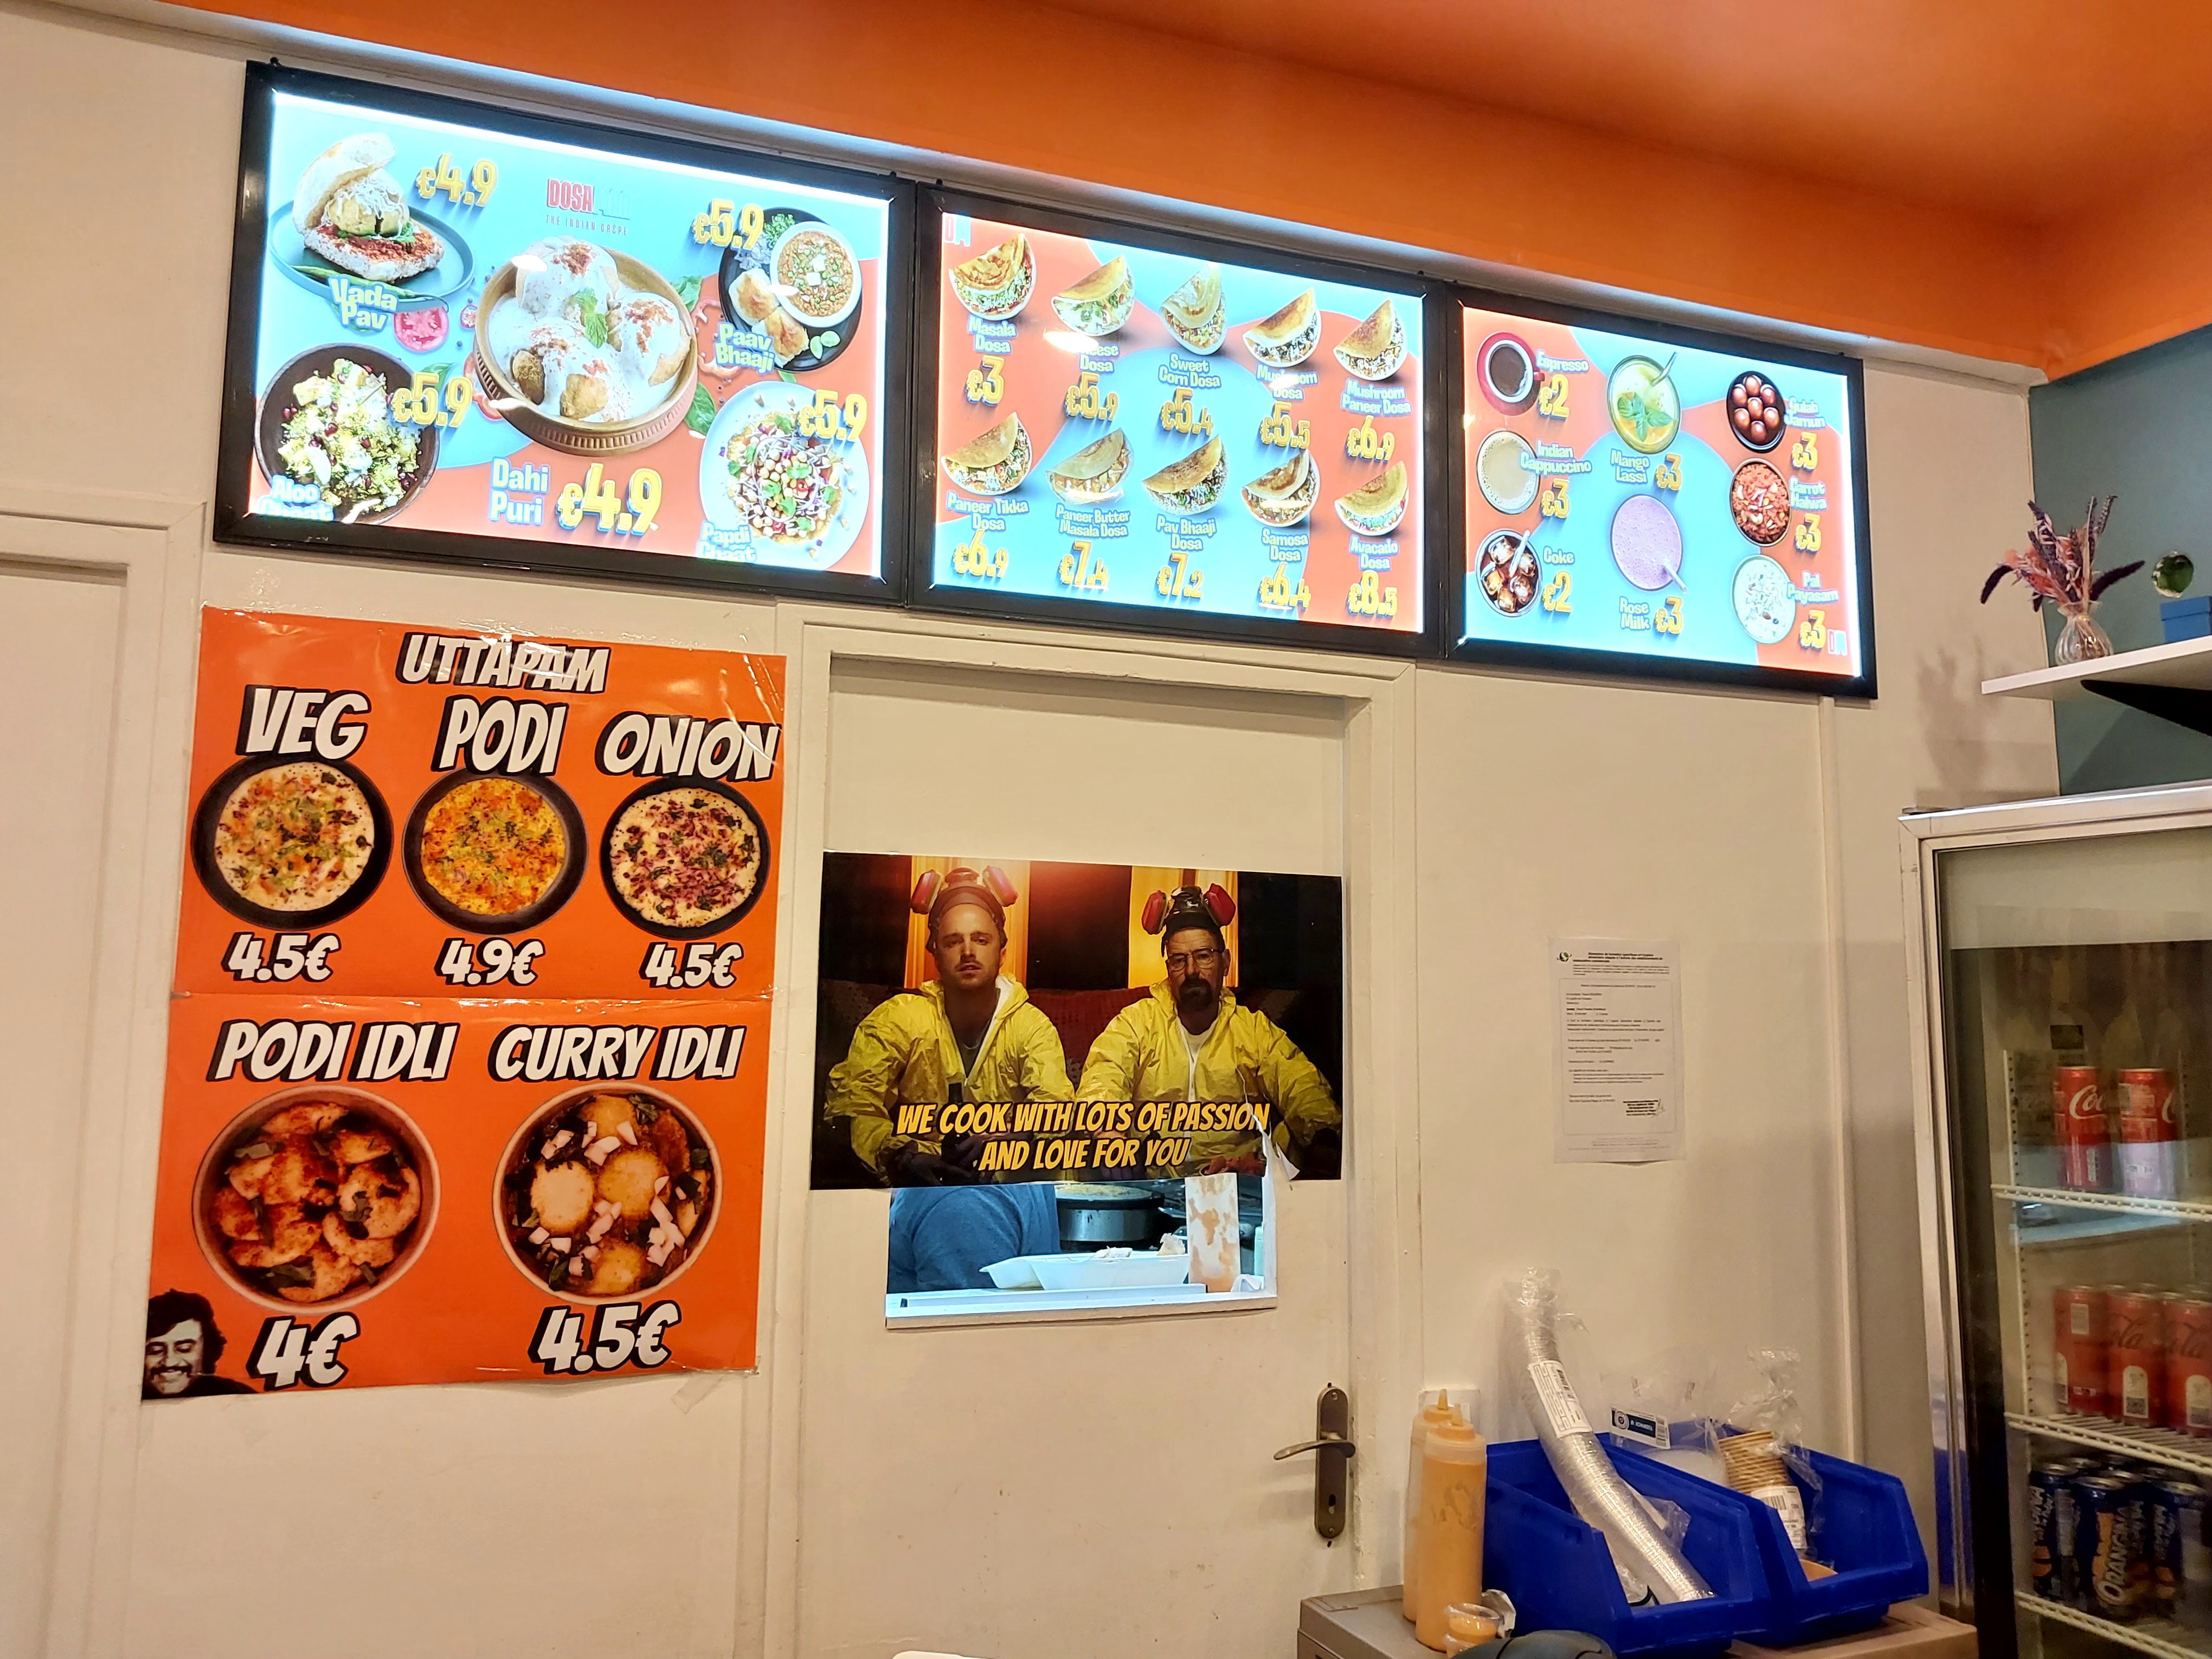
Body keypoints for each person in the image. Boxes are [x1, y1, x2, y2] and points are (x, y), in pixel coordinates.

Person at [826, 865, 1073, 1290]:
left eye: (981, 939)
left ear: (1002, 949)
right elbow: (853, 1105)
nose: (968, 952)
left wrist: (1010, 1138)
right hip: (919, 1191)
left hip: (1013, 1192)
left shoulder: (1031, 1026)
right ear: (935, 952)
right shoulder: (899, 1018)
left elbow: (1057, 1109)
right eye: (953, 941)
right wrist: (900, 1156)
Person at [1078, 884, 1342, 1176]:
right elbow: (1104, 1075)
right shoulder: (1137, 1022)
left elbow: (1300, 1084)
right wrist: (1109, 1134)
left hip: (1236, 1178)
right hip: (1155, 1180)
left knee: (1302, 1140)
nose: (1192, 971)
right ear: (1168, 969)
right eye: (1179, 960)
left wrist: (1324, 1138)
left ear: (1225, 963)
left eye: (1203, 956)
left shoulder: (1253, 1030)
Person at [143, 1290, 253, 1398]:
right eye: (155, 1351)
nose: (169, 1362)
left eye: (185, 1349)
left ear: (207, 1351)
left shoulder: (238, 1397)